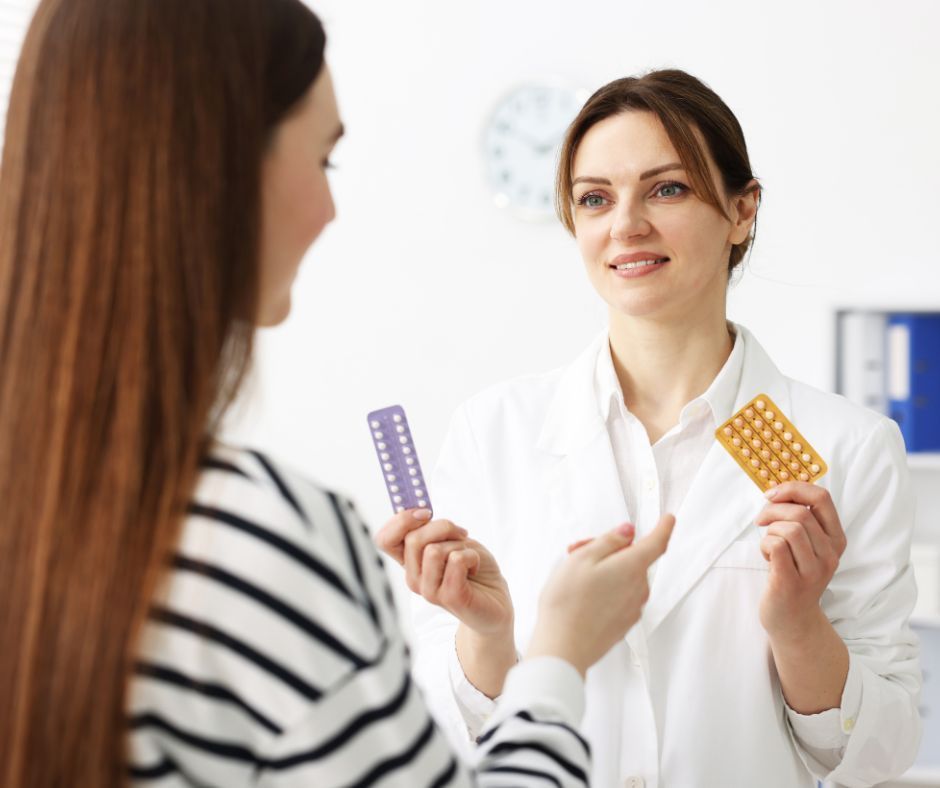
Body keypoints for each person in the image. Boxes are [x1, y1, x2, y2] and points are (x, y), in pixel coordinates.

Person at [0, 1, 676, 786]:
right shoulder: (260, 539)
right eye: (324, 161)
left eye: (666, 191)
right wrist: (556, 657)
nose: (329, 210)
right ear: (214, 171)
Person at [383, 69, 922, 787]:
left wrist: (798, 624)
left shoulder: (848, 447)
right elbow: (447, 741)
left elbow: (880, 756)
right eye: (594, 198)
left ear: (742, 211)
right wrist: (488, 635)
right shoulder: (495, 433)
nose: (625, 225)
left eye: (666, 188)